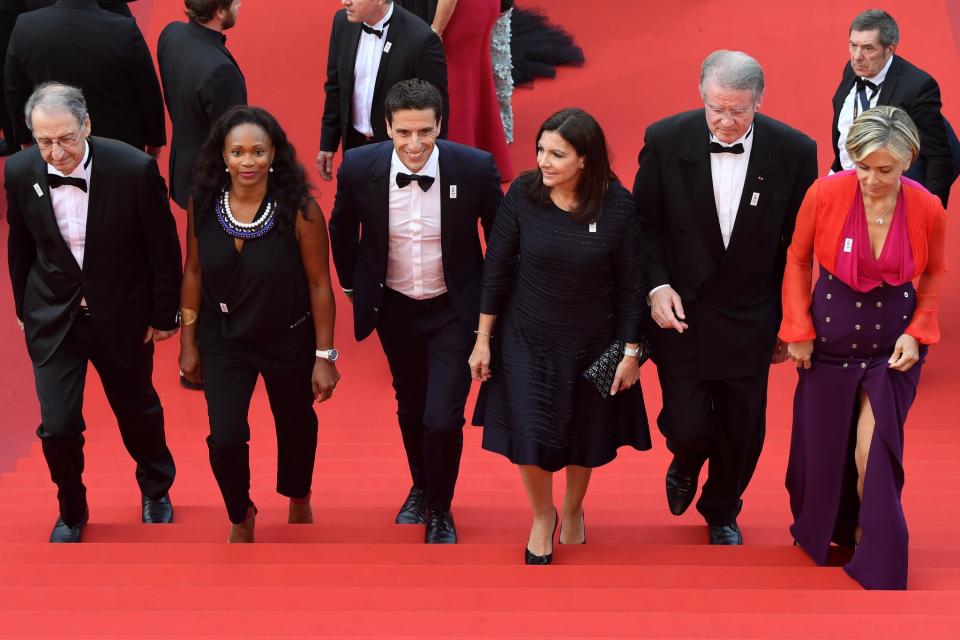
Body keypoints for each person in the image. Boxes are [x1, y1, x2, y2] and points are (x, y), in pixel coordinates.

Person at [633, 50, 817, 545]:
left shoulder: (795, 151)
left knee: (743, 428)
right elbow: (643, 225)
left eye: (739, 110)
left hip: (751, 313)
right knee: (690, 425)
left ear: (759, 101)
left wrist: (793, 321)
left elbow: (800, 248)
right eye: (717, 109)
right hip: (681, 311)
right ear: (702, 97)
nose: (728, 121)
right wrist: (656, 286)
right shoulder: (665, 139)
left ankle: (722, 509)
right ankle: (687, 457)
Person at [470, 107, 650, 565]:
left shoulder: (619, 205)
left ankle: (572, 509)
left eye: (557, 154)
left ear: (584, 159)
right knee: (530, 432)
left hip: (596, 341)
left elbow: (632, 284)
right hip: (525, 337)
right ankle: (541, 515)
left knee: (583, 433)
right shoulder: (524, 197)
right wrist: (483, 337)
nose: (543, 162)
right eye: (540, 151)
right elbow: (496, 269)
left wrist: (631, 352)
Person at [5, 82, 182, 542]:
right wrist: (23, 303)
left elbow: (162, 248)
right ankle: (71, 508)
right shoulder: (22, 171)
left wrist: (165, 316)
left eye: (65, 138)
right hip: (53, 316)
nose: (56, 152)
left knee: (136, 409)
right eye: (44, 141)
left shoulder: (133, 168)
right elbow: (20, 243)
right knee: (59, 425)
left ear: (86, 125)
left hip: (121, 311)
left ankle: (156, 488)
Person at [780, 106, 947, 590]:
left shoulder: (927, 207)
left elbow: (935, 272)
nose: (871, 179)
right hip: (827, 346)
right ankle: (827, 529)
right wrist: (798, 329)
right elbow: (797, 258)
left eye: (886, 170)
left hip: (890, 352)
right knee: (821, 452)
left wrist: (917, 332)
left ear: (908, 160)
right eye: (863, 166)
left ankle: (875, 548)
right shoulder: (826, 193)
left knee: (871, 453)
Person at [328, 79, 502, 544]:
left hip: (454, 308)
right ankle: (421, 487)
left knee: (442, 417)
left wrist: (493, 303)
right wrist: (352, 283)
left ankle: (440, 509)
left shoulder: (474, 167)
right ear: (386, 128)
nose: (414, 144)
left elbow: (502, 236)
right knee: (411, 406)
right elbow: (341, 227)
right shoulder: (360, 166)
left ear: (439, 125)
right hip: (395, 308)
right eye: (403, 133)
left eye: (424, 131)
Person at [178, 106, 338, 543]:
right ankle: (240, 510)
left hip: (288, 337)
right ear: (222, 157)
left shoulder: (301, 212)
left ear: (274, 155)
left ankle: (298, 494)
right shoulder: (203, 206)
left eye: (258, 151)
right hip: (224, 340)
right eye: (237, 152)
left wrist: (325, 356)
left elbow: (321, 285)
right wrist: (187, 343)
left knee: (296, 423)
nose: (248, 161)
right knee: (225, 437)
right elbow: (192, 272)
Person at [4, 0, 165, 154]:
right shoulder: (124, 29)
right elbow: (147, 91)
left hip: (53, 145)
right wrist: (155, 140)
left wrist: (24, 137)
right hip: (119, 148)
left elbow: (15, 90)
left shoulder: (25, 26)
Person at [831, 9, 955, 207]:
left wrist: (930, 211)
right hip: (848, 186)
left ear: (890, 49)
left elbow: (939, 159)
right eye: (853, 45)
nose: (857, 56)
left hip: (891, 198)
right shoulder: (852, 69)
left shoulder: (918, 87)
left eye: (868, 49)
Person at [317, 0, 448, 182]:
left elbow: (436, 108)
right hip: (354, 147)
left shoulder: (421, 38)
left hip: (400, 152)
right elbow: (335, 86)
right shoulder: (342, 22)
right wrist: (328, 143)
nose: (344, 2)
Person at [158, 0, 247, 213]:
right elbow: (234, 140)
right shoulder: (221, 71)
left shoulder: (170, 34)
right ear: (219, 11)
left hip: (183, 171)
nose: (240, 5)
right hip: (213, 187)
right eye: (236, 2)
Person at [428, 0, 513, 180]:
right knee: (477, 84)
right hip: (482, 7)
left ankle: (461, 172)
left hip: (459, 11)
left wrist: (436, 30)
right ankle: (492, 161)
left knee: (457, 89)